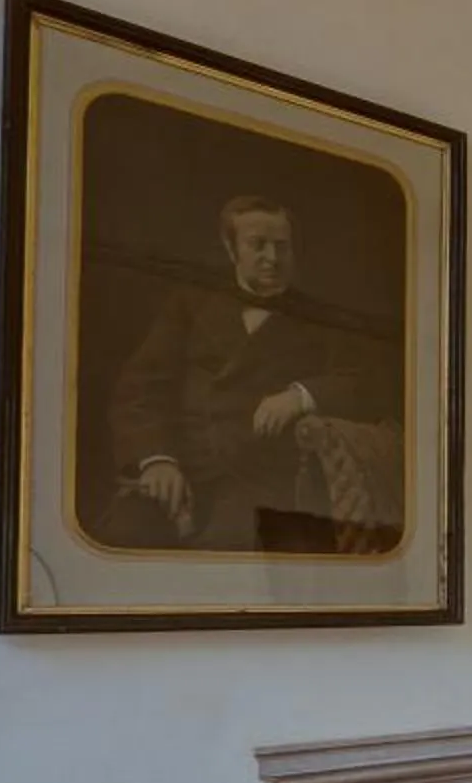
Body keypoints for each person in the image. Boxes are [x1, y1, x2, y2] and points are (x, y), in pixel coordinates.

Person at [94, 195, 397, 553]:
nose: (272, 257)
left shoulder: (321, 319)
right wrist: (157, 460)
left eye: (281, 246)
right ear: (231, 247)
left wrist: (301, 394)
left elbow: (368, 384)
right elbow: (140, 389)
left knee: (230, 552)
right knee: (125, 535)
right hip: (180, 466)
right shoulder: (190, 305)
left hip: (261, 479)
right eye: (258, 245)